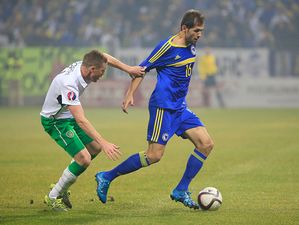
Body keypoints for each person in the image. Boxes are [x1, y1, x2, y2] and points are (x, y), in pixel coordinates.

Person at [95, 9, 214, 210]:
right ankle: (106, 176)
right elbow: (142, 69)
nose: (199, 34)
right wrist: (129, 94)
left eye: (201, 31)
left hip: (180, 107)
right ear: (184, 29)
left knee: (206, 144)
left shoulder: (191, 45)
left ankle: (181, 190)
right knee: (154, 155)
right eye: (196, 30)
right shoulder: (166, 47)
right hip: (163, 108)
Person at [40, 50, 145, 211]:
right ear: (92, 70)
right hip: (55, 120)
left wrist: (129, 69)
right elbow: (81, 120)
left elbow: (105, 57)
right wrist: (104, 143)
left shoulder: (87, 65)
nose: (102, 76)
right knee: (84, 158)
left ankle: (61, 188)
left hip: (66, 116)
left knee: (93, 149)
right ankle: (53, 196)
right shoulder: (70, 83)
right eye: (101, 72)